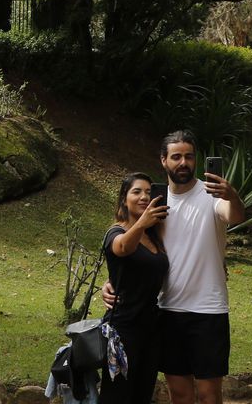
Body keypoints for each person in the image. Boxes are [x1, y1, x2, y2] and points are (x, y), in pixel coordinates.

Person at [105, 131, 245, 404]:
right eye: (176, 156)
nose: (183, 163)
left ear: (196, 160)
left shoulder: (212, 194)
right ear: (163, 160)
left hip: (208, 310)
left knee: (209, 395)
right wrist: (113, 281)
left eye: (189, 157)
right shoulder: (155, 203)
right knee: (179, 395)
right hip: (167, 311)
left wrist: (233, 196)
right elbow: (137, 250)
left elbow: (235, 216)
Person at [100, 173, 170, 404]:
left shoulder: (154, 235)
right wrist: (142, 222)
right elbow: (122, 249)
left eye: (149, 192)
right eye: (136, 192)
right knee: (117, 396)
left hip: (151, 328)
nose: (144, 197)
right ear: (124, 199)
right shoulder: (116, 232)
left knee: (143, 394)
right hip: (123, 329)